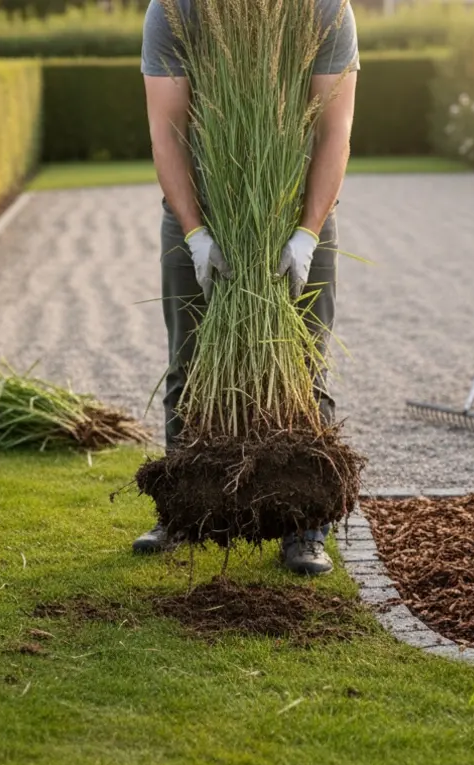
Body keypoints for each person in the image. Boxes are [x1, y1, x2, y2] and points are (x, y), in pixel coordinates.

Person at [131, 0, 360, 575]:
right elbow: (167, 130)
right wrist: (196, 232)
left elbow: (336, 130)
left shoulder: (324, 7)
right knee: (190, 364)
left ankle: (306, 523)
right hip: (201, 215)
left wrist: (307, 233)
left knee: (304, 364)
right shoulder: (174, 9)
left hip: (293, 212)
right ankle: (182, 511)